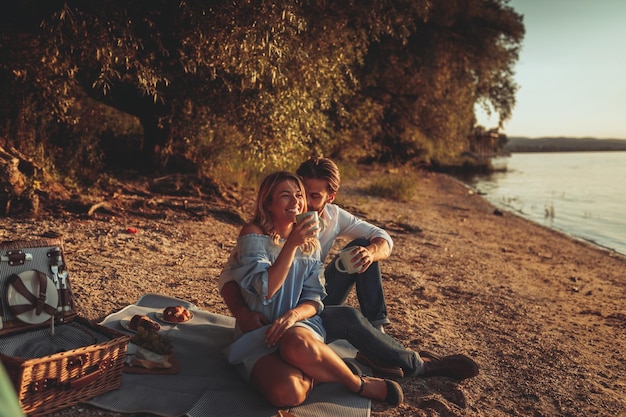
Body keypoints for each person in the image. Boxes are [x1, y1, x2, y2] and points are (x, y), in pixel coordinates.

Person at [222, 159, 479, 381]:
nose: (303, 203)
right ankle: (394, 357)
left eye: (312, 196)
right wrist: (242, 312)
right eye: (300, 192)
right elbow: (232, 276)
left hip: (309, 301)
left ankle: (381, 339)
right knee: (343, 319)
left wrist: (370, 252)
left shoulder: (332, 219)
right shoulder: (260, 232)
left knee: (362, 248)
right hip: (272, 305)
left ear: (330, 198)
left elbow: (382, 238)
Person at [219, 171, 403, 407]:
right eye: (286, 196)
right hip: (260, 332)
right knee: (287, 394)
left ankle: (357, 383)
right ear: (268, 203)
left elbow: (315, 299)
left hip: (299, 326)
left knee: (296, 343)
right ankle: (320, 370)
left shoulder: (311, 241)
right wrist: (291, 245)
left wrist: (293, 315)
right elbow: (265, 290)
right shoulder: (253, 234)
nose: (296, 202)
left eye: (299, 195)